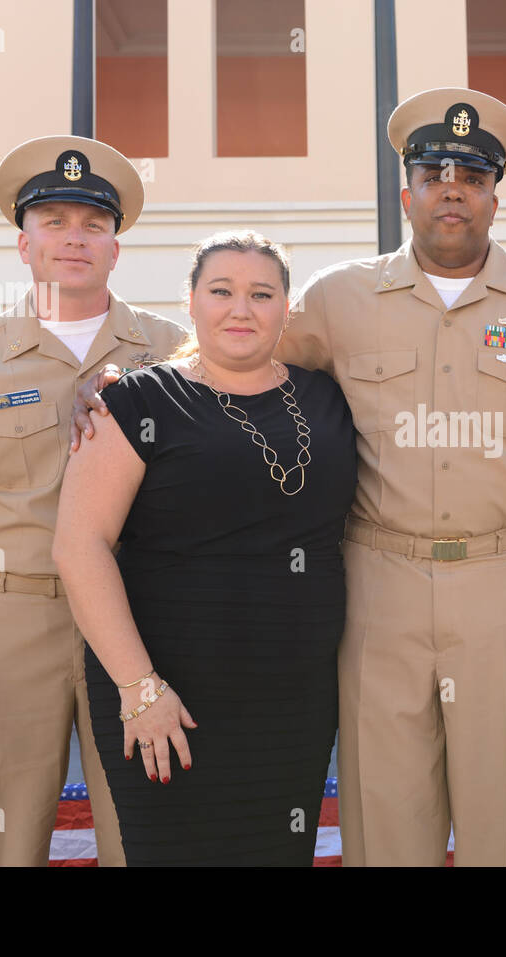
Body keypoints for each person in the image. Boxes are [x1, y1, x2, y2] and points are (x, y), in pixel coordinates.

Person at [72, 87, 506, 866]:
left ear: (494, 197)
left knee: (503, 812)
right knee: (385, 814)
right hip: (380, 580)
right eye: (433, 172)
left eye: (471, 177)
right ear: (406, 190)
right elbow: (241, 344)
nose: (452, 188)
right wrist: (126, 378)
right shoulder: (342, 298)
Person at [0, 135, 188, 865]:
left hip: (142, 617)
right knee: (2, 842)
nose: (73, 238)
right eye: (53, 221)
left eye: (93, 224)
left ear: (117, 247)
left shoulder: (176, 353)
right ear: (24, 245)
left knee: (151, 835)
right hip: (8, 621)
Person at [53, 231, 357, 865]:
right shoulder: (135, 400)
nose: (240, 309)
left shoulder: (326, 396)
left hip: (292, 702)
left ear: (286, 308)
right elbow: (80, 548)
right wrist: (141, 690)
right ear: (190, 302)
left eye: (261, 294)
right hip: (167, 700)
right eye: (221, 291)